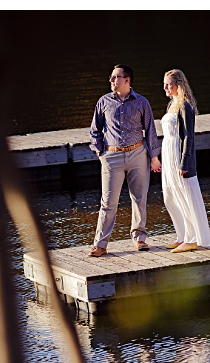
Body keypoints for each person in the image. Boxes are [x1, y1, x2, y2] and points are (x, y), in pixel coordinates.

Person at [88, 65, 161, 257]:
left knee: (139, 198)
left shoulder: (141, 102)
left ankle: (140, 239)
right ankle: (100, 244)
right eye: (111, 77)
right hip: (111, 157)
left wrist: (154, 157)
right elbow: (95, 130)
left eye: (115, 77)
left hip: (138, 155)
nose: (111, 80)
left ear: (127, 80)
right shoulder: (103, 102)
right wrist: (100, 153)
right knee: (108, 202)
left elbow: (150, 130)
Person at [160, 69, 210, 253]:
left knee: (185, 196)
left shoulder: (185, 106)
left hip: (178, 155)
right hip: (167, 153)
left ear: (178, 85)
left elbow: (188, 137)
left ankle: (192, 238)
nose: (165, 87)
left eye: (169, 84)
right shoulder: (172, 104)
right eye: (164, 84)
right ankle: (181, 235)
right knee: (170, 196)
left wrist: (184, 162)